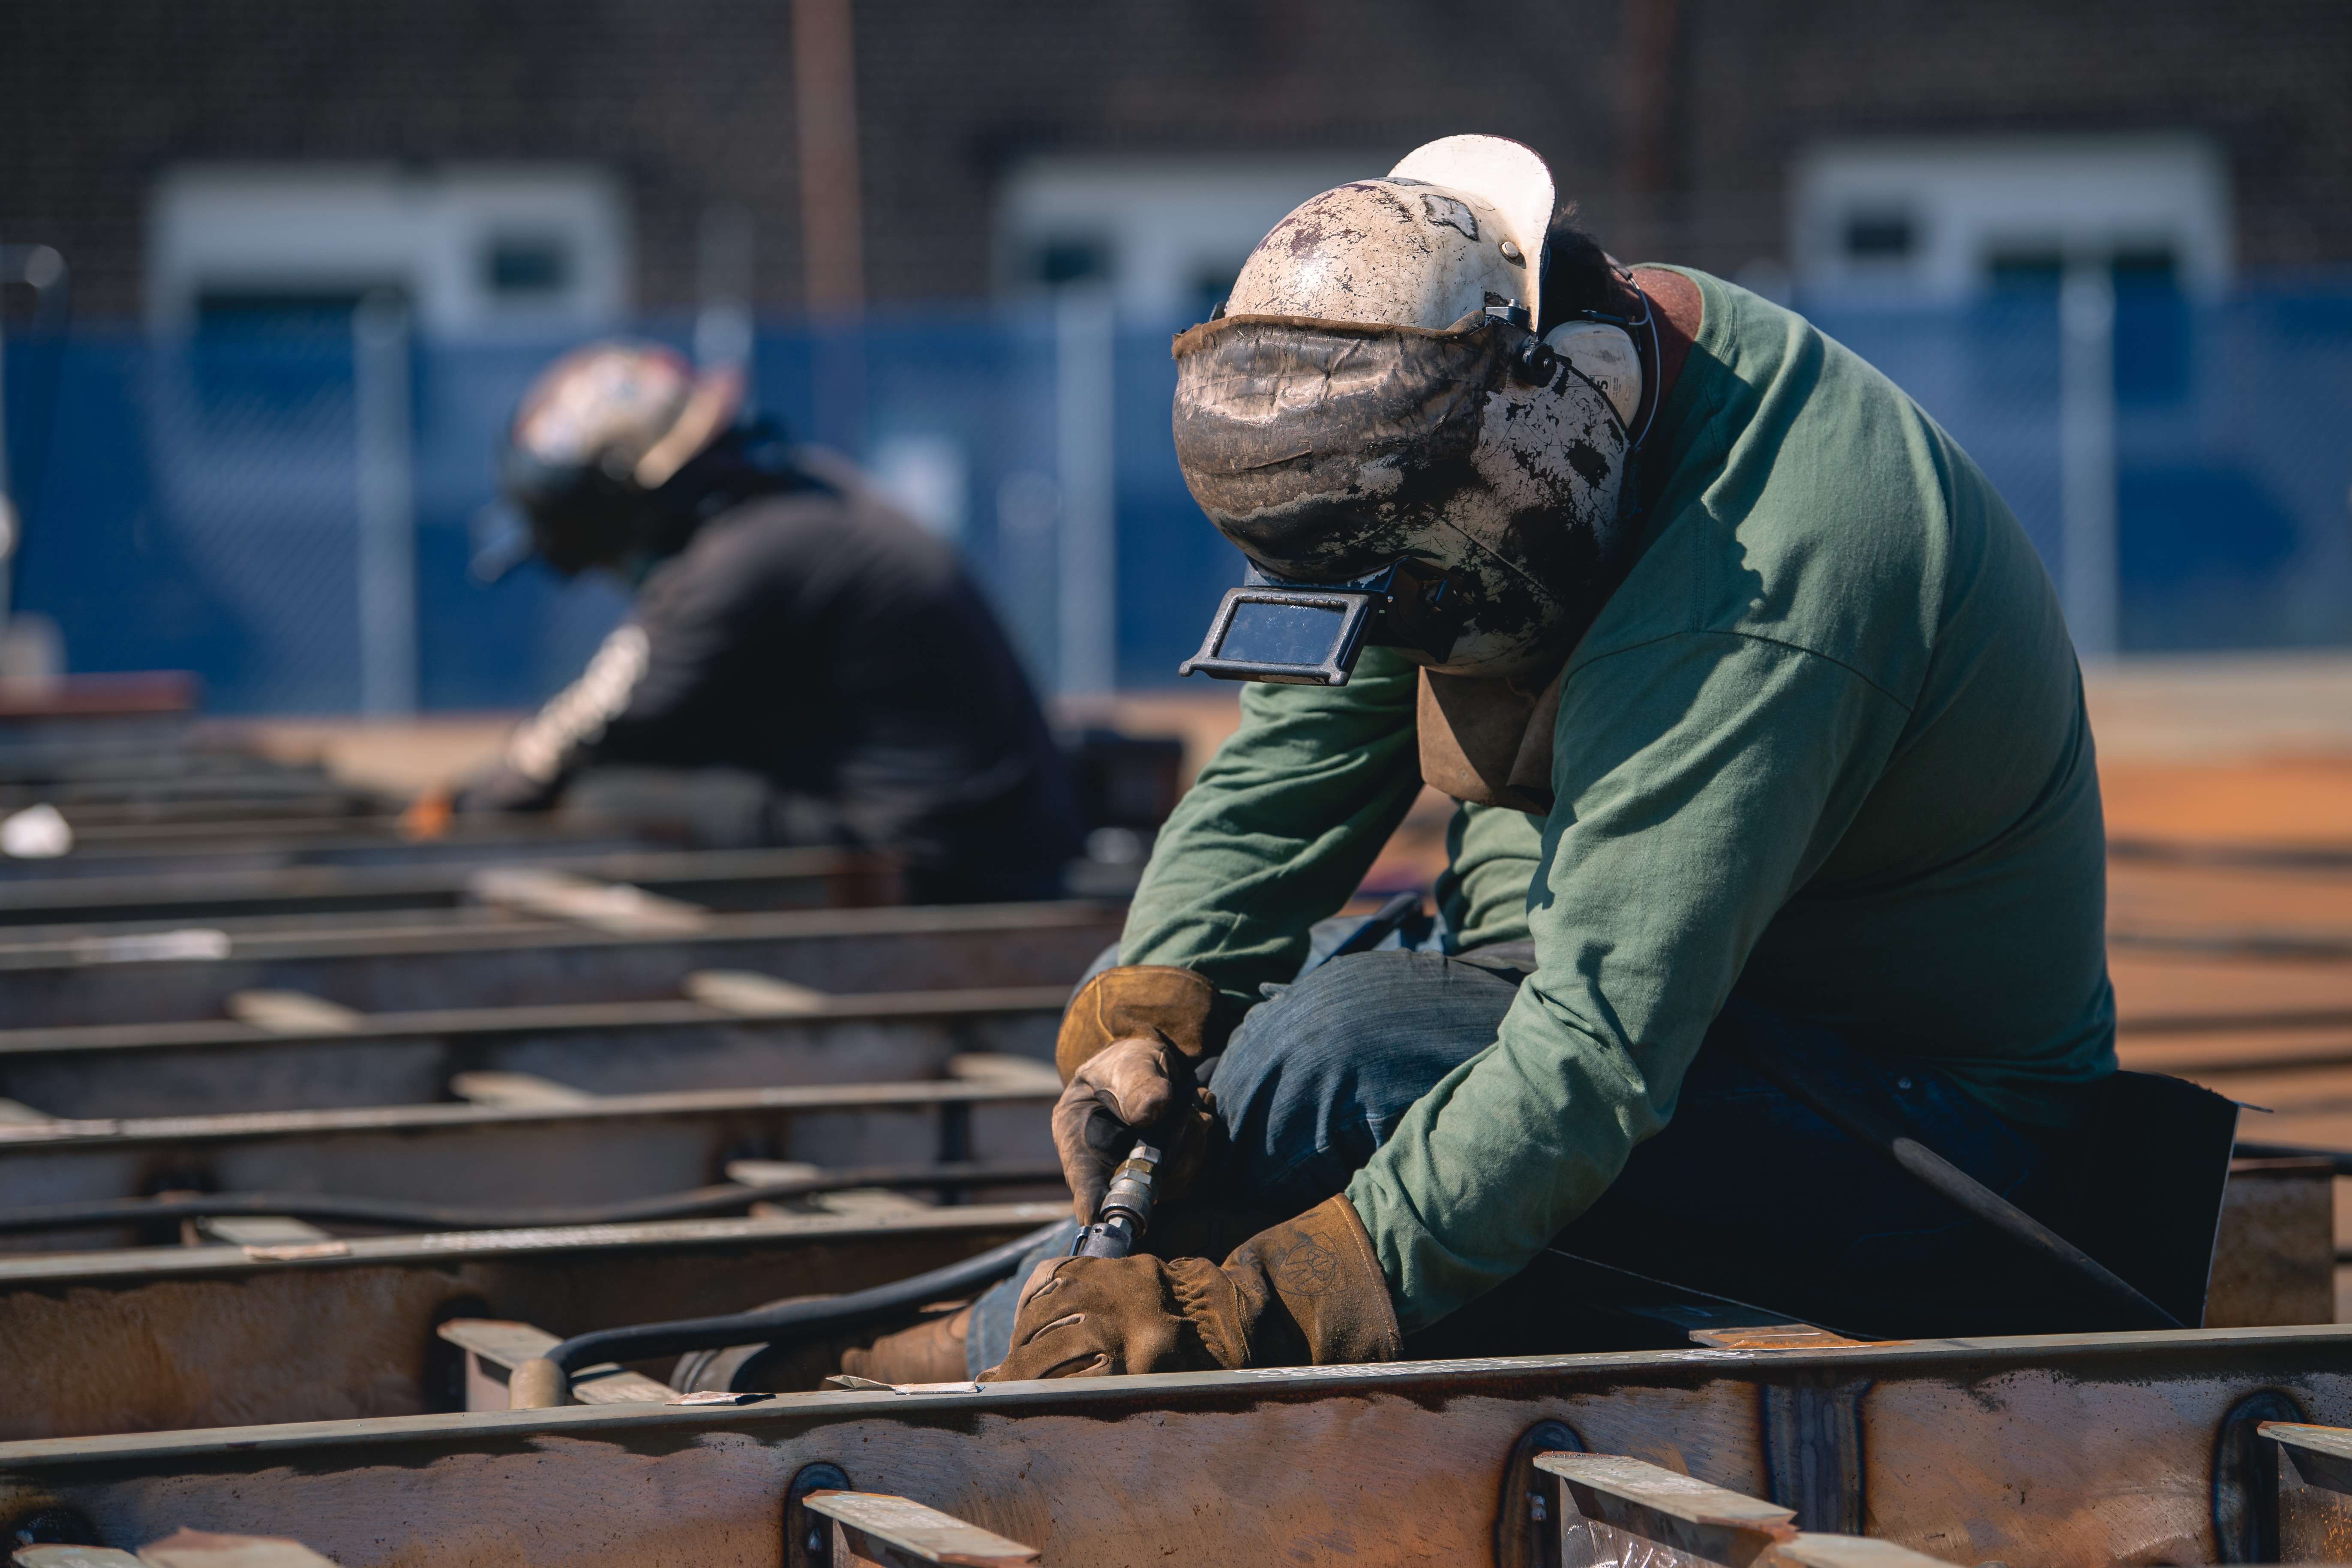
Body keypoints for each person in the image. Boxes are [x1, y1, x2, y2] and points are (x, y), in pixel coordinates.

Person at [848, 132, 2145, 1385]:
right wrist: (1152, 1015)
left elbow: (1597, 1047)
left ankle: (1008, 1345)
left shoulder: (1756, 583)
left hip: (1933, 1148)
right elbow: (1297, 751)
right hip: (1675, 1005)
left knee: (1338, 1053)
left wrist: (1260, 1305)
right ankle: (1027, 1325)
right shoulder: (1485, 442)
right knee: (1256, 1028)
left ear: (1541, 460)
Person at [441, 342, 1081, 904]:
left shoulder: (746, 558)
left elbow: (588, 729)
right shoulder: (799, 501)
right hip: (989, 837)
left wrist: (470, 809)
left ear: (629, 493)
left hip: (940, 863)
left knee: (597, 800)